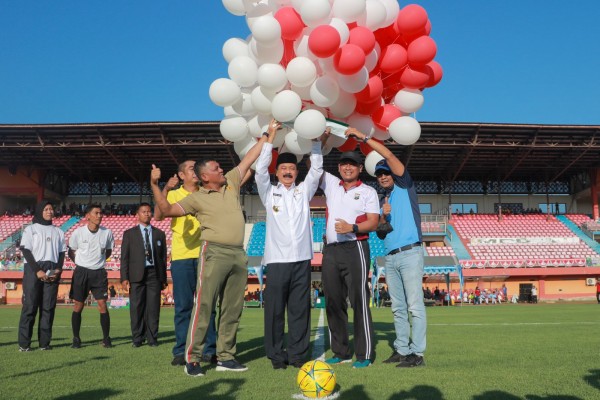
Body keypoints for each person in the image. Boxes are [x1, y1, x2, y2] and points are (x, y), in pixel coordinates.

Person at [150, 124, 272, 377]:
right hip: (213, 252)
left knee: (232, 308)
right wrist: (154, 185)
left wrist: (267, 135)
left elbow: (250, 156)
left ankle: (225, 356)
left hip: (238, 254)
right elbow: (166, 212)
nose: (221, 169)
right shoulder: (196, 198)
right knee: (204, 305)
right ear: (205, 176)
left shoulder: (231, 183)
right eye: (216, 168)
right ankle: (192, 358)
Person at [346, 127, 426, 368]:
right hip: (390, 257)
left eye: (386, 173)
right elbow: (381, 234)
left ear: (394, 174)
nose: (382, 176)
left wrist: (365, 139)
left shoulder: (405, 185)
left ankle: (417, 354)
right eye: (379, 174)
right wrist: (382, 217)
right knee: (398, 307)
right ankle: (402, 350)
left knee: (414, 306)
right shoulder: (383, 201)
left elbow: (390, 157)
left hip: (410, 252)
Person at [255, 120, 324, 369]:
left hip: (301, 260)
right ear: (277, 172)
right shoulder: (268, 192)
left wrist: (316, 141)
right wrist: (271, 138)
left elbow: (316, 171)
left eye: (291, 169)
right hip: (276, 261)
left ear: (296, 172)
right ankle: (276, 356)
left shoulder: (303, 191)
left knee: (299, 311)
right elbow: (259, 172)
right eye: (283, 168)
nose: (287, 172)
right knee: (274, 312)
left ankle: (297, 356)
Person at [154, 160, 218, 366]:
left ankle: (210, 349)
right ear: (181, 175)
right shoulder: (173, 194)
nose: (195, 171)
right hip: (182, 257)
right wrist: (164, 188)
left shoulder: (207, 193)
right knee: (183, 307)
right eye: (191, 168)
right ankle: (181, 350)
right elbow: (157, 216)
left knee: (208, 305)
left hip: (205, 254)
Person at [320, 148, 380, 369]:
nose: (347, 167)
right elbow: (313, 163)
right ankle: (340, 351)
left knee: (359, 301)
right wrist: (321, 139)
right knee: (334, 302)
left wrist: (352, 227)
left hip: (355, 248)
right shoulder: (331, 184)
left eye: (352, 164)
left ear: (360, 168)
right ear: (338, 167)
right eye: (344, 163)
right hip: (331, 250)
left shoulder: (367, 192)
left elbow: (373, 222)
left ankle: (364, 354)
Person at [17, 201, 66, 351]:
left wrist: (58, 269)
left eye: (51, 209)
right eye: (46, 209)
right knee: (30, 306)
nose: (50, 211)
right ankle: (24, 344)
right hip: (33, 269)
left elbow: (61, 253)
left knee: (48, 307)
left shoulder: (59, 232)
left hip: (52, 268)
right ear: (40, 211)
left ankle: (45, 343)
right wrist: (38, 270)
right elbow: (26, 251)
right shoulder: (31, 229)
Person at [120, 203, 168, 347]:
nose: (147, 214)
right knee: (136, 308)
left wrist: (163, 278)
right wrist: (124, 277)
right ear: (137, 215)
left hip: (154, 274)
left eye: (149, 211)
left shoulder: (160, 234)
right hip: (136, 275)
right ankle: (137, 338)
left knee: (153, 308)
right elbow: (124, 257)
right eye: (144, 211)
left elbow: (163, 258)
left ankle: (152, 338)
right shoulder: (129, 234)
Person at [68, 204, 115, 349]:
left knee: (102, 305)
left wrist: (97, 262)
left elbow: (108, 252)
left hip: (99, 273)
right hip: (82, 272)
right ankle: (76, 338)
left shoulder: (107, 233)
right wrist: (80, 263)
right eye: (96, 213)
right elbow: (71, 250)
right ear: (88, 216)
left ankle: (106, 338)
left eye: (101, 213)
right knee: (78, 305)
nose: (99, 215)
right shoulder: (78, 232)